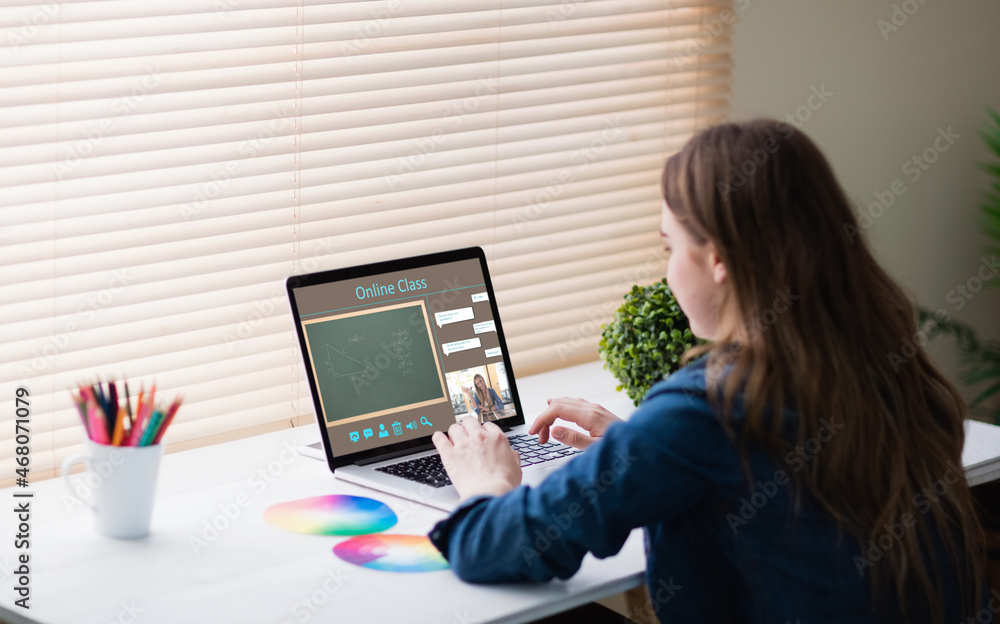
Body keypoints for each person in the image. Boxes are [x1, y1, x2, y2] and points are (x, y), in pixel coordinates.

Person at [427, 119, 987, 623]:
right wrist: (639, 448)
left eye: (670, 246)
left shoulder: (710, 408)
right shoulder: (889, 364)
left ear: (717, 259)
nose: (667, 269)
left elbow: (494, 547)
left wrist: (485, 481)